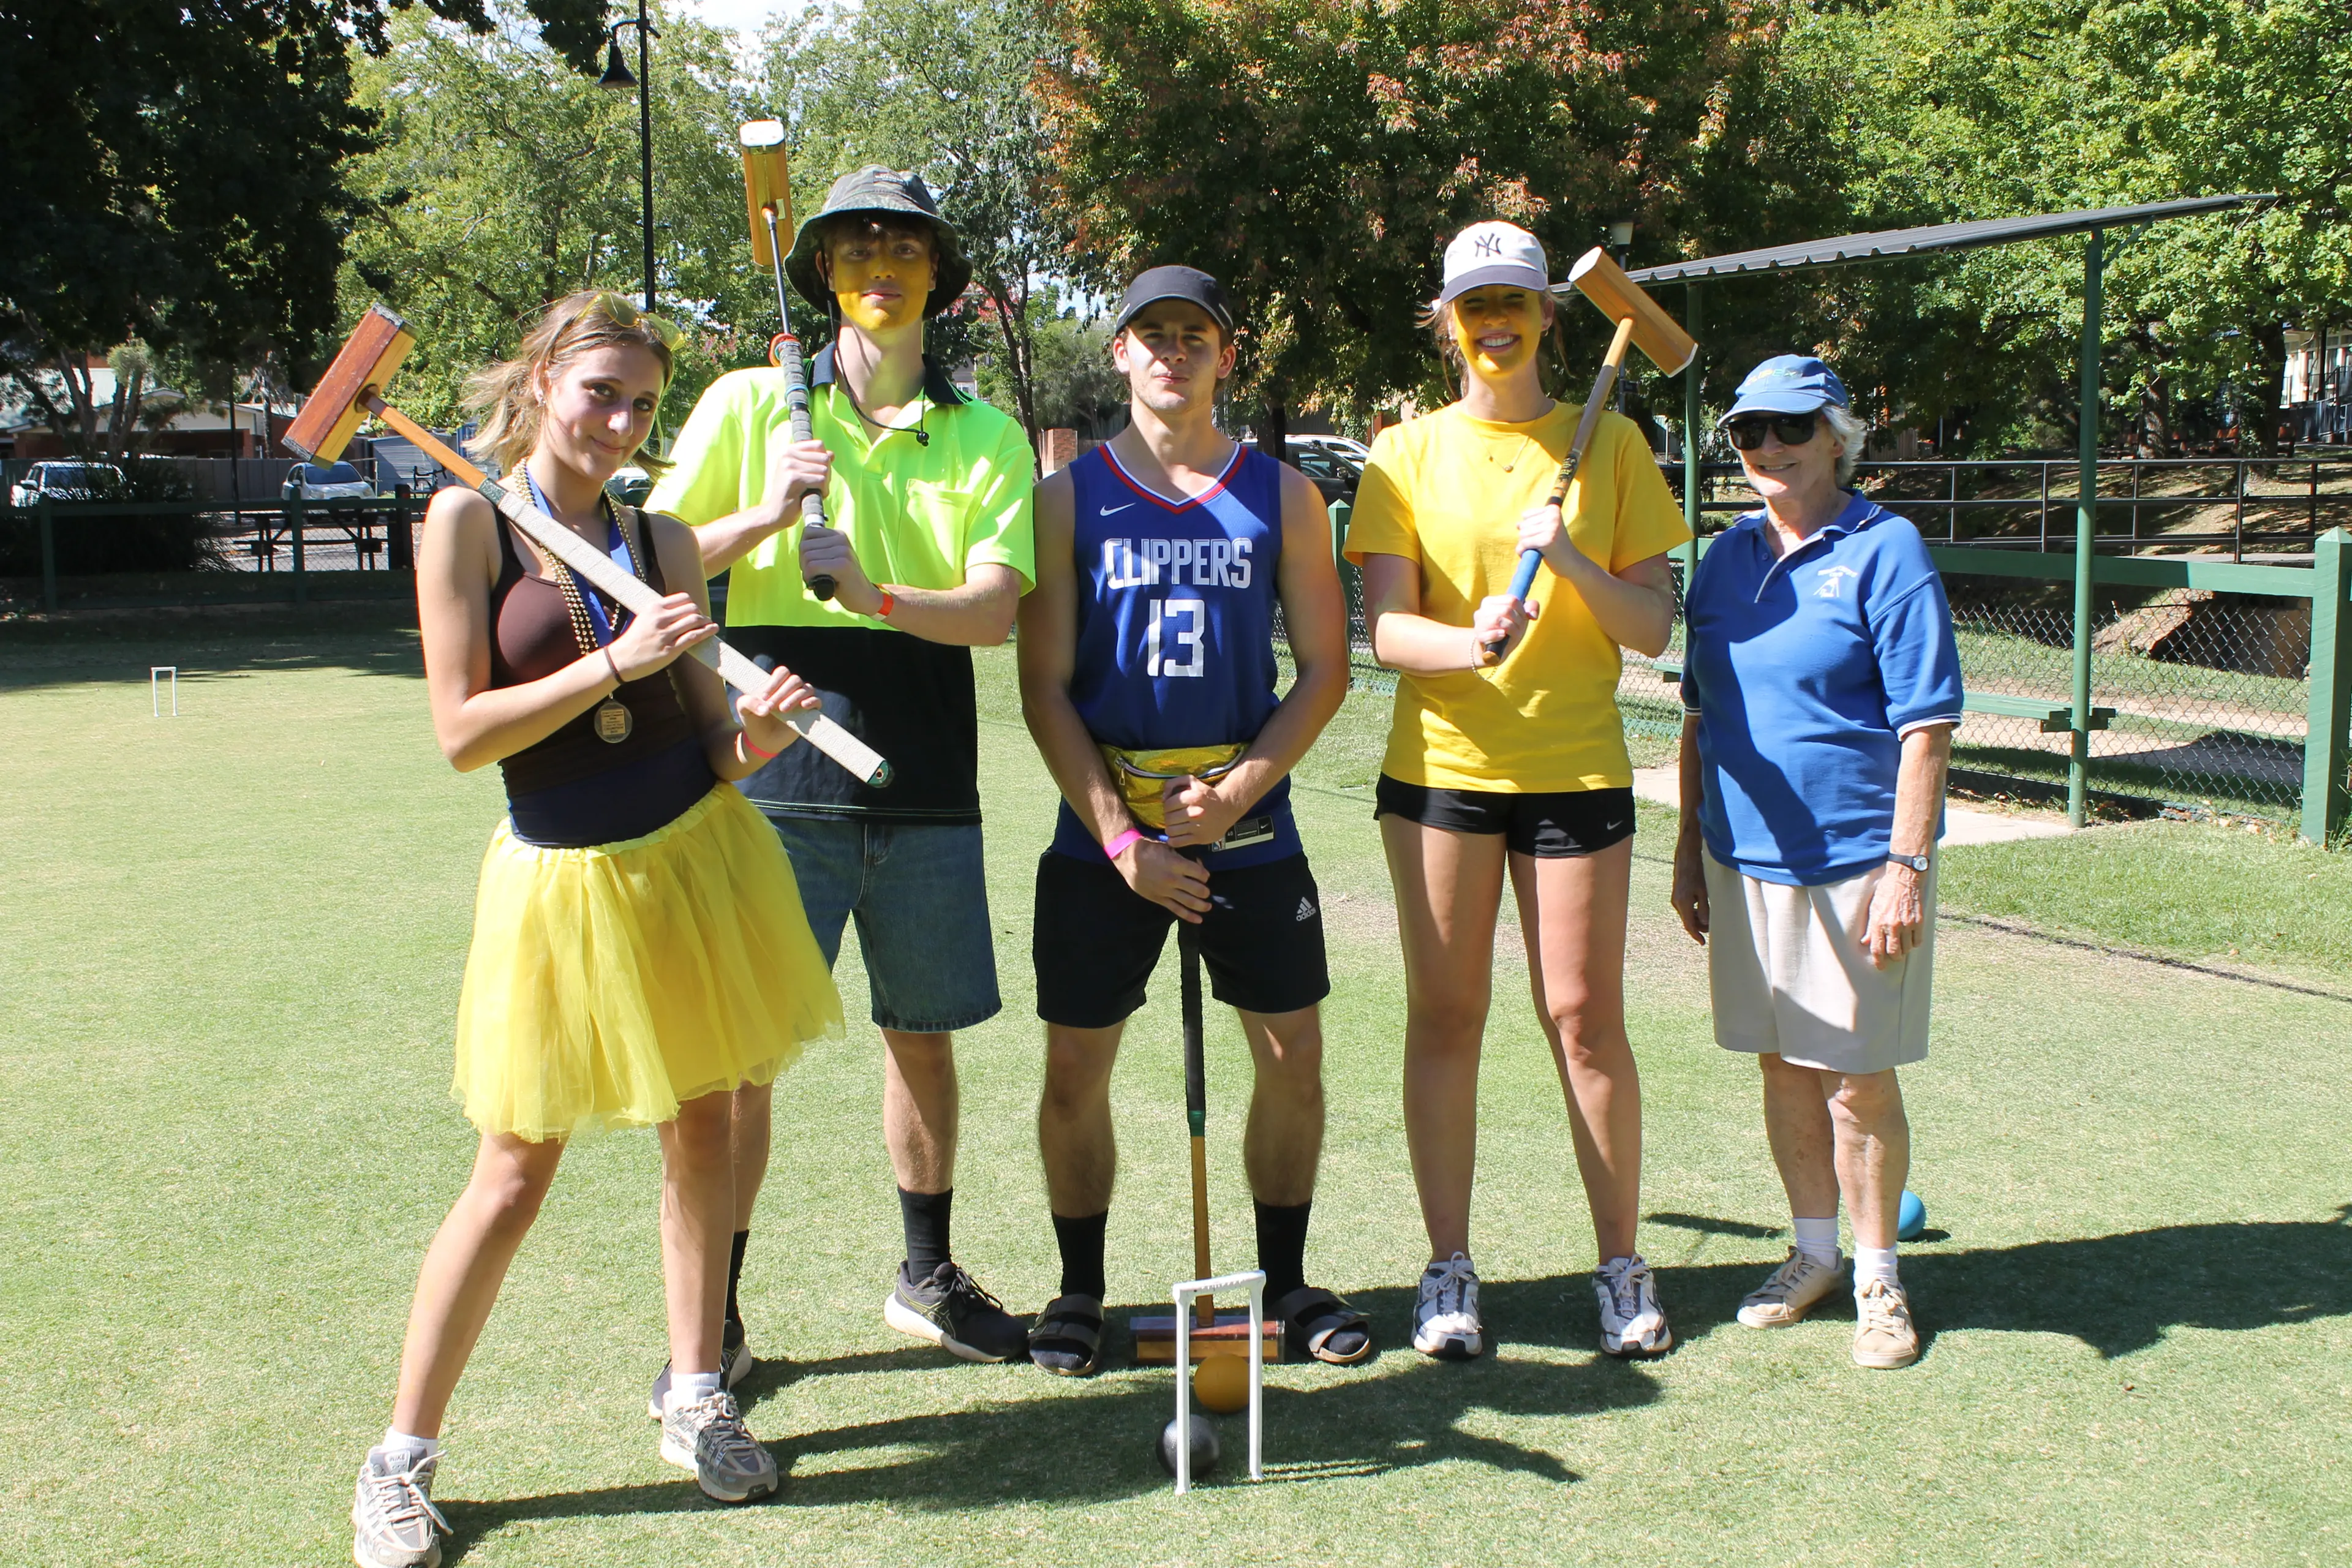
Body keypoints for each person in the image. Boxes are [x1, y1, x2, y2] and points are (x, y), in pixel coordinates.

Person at [351, 291, 845, 1568]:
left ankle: (696, 1392)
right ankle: (399, 1455)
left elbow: (717, 747)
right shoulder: (465, 520)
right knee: (513, 1171)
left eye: (640, 401)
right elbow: (463, 735)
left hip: (696, 858)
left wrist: (764, 734)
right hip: (563, 883)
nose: (622, 421)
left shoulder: (659, 537)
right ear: (541, 383)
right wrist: (611, 663)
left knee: (708, 1128)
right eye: (601, 392)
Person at [646, 167, 1035, 1373]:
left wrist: (869, 591)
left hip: (925, 776)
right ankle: (711, 1318)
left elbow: (992, 612)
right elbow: (648, 561)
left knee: (922, 1036)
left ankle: (925, 1275)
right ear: (821, 269)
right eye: (857, 245)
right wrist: (765, 516)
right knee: (742, 1062)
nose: (881, 264)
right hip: (776, 772)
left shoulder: (989, 436)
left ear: (938, 277)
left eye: (905, 247)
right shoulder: (747, 406)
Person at [1344, 221, 1690, 1360]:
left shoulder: (1616, 447)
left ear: (1550, 316)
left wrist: (1574, 557)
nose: (1497, 323)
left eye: (1518, 304)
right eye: (1474, 306)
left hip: (1577, 765)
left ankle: (1621, 1267)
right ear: (1446, 323)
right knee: (1448, 1016)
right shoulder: (1403, 454)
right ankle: (1448, 1271)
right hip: (1442, 771)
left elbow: (1650, 629)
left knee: (1585, 1020)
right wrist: (1471, 640)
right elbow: (1387, 630)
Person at [1016, 266, 1368, 1374]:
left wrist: (1236, 797)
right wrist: (1125, 841)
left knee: (1291, 1055)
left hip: (1247, 824)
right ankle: (1079, 1290)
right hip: (1105, 831)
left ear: (1227, 354)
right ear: (1120, 352)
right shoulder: (1068, 497)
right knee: (1076, 1068)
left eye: (1196, 336)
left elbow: (1322, 671)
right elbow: (1044, 688)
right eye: (1151, 335)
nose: (1173, 353)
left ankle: (1289, 1282)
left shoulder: (1285, 494)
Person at [1668, 355, 1960, 1371]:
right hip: (1742, 859)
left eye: (1792, 429)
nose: (1770, 450)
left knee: (1857, 1083)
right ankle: (1814, 1254)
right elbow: (1700, 717)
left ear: (1839, 434)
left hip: (1854, 860)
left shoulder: (1888, 551)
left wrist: (1907, 866)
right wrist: (1687, 848)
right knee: (1784, 1068)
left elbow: (1926, 726)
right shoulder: (1721, 561)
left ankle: (1880, 1278)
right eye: (1750, 434)